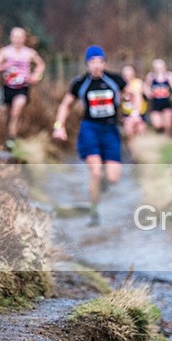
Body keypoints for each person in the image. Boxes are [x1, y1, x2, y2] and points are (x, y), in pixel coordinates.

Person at [52, 45, 126, 227]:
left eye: (99, 61)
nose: (96, 66)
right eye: (92, 62)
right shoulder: (81, 83)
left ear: (104, 62)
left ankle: (102, 182)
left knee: (113, 178)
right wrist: (59, 126)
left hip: (110, 130)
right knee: (95, 170)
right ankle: (94, 211)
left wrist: (133, 115)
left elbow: (133, 94)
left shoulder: (115, 80)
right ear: (87, 64)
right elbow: (65, 105)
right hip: (90, 129)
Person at [0, 27, 46, 150]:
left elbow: (41, 64)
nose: (17, 39)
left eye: (20, 37)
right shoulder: (5, 52)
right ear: (11, 38)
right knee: (7, 114)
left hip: (22, 87)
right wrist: (4, 66)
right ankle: (7, 136)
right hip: (7, 87)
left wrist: (37, 76)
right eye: (15, 36)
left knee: (16, 110)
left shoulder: (29, 53)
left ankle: (12, 139)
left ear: (24, 38)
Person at [143, 58, 172, 136]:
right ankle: (159, 138)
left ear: (164, 67)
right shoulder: (151, 76)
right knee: (157, 125)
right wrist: (148, 93)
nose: (158, 69)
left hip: (166, 103)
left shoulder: (169, 75)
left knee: (167, 125)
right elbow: (146, 86)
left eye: (160, 67)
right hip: (155, 103)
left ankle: (166, 139)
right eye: (156, 67)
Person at [120, 64, 148, 148]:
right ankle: (133, 152)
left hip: (139, 113)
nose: (127, 77)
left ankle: (142, 152)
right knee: (129, 131)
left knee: (140, 131)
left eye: (129, 74)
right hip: (126, 113)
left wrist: (136, 113)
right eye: (125, 75)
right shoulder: (121, 85)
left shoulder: (137, 83)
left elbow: (138, 97)